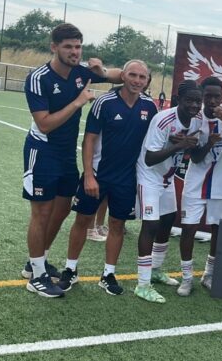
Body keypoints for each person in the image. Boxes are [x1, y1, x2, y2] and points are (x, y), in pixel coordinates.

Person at [22, 23, 122, 298]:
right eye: (68, 47)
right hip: (42, 150)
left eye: (78, 46)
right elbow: (44, 125)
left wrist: (102, 71)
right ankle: (38, 276)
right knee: (41, 213)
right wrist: (78, 102)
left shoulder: (81, 73)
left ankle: (36, 263)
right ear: (54, 47)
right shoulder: (38, 78)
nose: (74, 52)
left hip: (67, 154)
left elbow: (120, 76)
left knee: (63, 210)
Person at [57, 60, 156, 294]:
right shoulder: (105, 102)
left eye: (142, 77)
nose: (137, 81)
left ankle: (108, 273)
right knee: (83, 220)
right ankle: (70, 269)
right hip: (99, 176)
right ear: (123, 75)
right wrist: (89, 176)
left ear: (147, 81)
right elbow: (89, 139)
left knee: (117, 225)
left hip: (127, 179)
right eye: (132, 75)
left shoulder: (150, 107)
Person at [132, 80, 204, 303]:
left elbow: (195, 149)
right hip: (150, 176)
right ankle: (142, 284)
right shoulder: (163, 120)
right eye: (190, 100)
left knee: (167, 221)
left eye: (197, 101)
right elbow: (149, 158)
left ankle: (155, 269)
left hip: (167, 177)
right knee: (151, 224)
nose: (194, 105)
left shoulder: (196, 122)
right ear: (178, 100)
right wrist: (178, 146)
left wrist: (196, 144)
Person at [178, 76, 222, 296]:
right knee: (189, 228)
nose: (212, 100)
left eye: (217, 96)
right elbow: (196, 159)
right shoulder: (194, 119)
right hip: (195, 183)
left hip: (221, 183)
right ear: (201, 95)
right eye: (208, 96)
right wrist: (209, 143)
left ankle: (208, 274)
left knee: (218, 229)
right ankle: (187, 278)